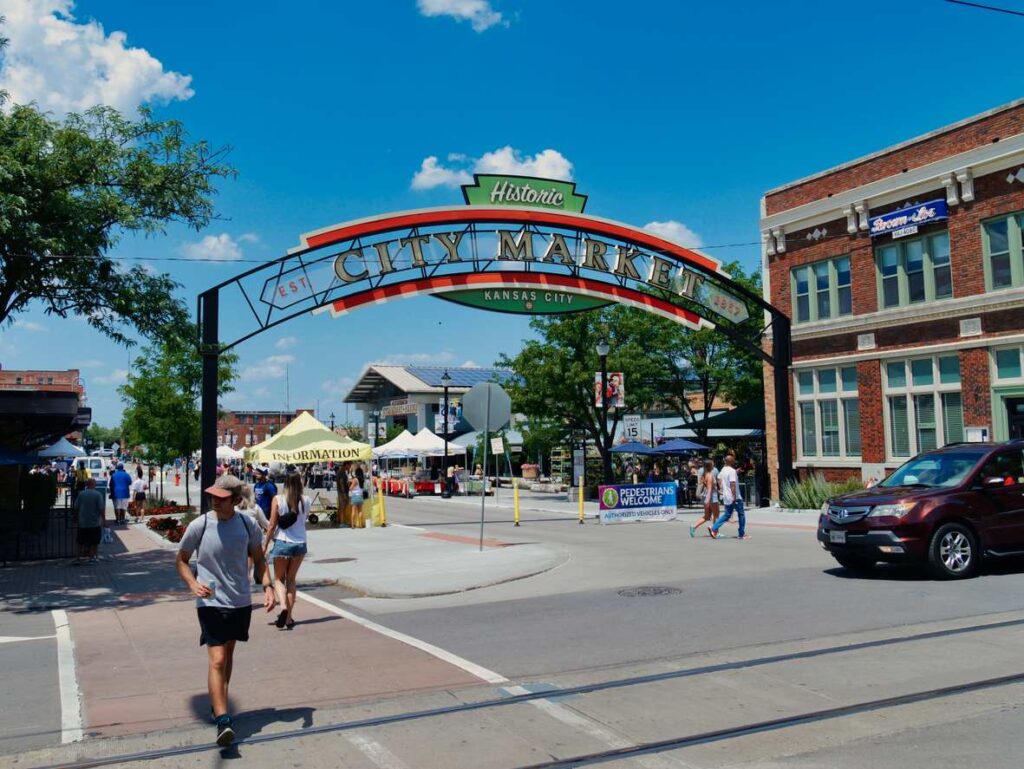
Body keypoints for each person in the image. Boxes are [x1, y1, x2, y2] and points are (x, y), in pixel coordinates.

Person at [176, 475, 274, 748]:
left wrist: (267, 586)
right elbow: (181, 560)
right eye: (212, 497)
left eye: (221, 498)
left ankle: (218, 699)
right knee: (217, 659)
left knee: (228, 654)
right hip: (210, 602)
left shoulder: (247, 524)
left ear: (236, 500)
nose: (214, 501)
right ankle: (223, 719)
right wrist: (193, 583)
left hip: (240, 600)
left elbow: (259, 558)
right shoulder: (200, 525)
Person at [265, 471, 310, 630]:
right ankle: (289, 617)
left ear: (285, 483)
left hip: (283, 542)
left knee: (278, 579)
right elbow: (303, 520)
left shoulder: (278, 499)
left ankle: (283, 606)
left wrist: (265, 544)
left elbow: (272, 525)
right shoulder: (306, 500)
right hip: (300, 543)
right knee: (291, 580)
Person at [709, 454, 747, 540]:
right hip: (735, 497)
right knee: (741, 514)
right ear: (731, 461)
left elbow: (719, 478)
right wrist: (734, 496)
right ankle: (741, 534)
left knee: (727, 515)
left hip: (726, 496)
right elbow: (732, 484)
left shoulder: (723, 470)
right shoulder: (732, 471)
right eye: (733, 460)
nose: (735, 461)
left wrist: (722, 488)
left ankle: (714, 528)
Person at [73, 478, 105, 563]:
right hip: (94, 522)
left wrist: (75, 518)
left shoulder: (81, 494)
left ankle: (77, 558)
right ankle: (92, 558)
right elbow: (101, 508)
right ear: (94, 485)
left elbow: (76, 507)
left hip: (83, 522)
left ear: (87, 485)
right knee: (94, 542)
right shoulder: (98, 494)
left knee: (80, 541)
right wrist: (104, 520)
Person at [690, 459, 719, 537]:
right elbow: (709, 489)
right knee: (716, 515)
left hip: (707, 496)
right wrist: (707, 501)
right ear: (710, 466)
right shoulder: (710, 475)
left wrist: (719, 492)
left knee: (707, 516)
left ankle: (693, 526)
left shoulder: (704, 475)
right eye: (712, 464)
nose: (713, 465)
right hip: (712, 497)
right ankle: (714, 531)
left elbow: (709, 487)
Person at [349, 463, 366, 527]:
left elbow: (350, 488)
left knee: (353, 511)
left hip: (355, 496)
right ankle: (360, 525)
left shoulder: (355, 480)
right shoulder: (362, 480)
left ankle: (352, 525)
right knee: (360, 511)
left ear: (356, 473)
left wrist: (351, 487)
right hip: (360, 496)